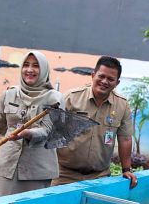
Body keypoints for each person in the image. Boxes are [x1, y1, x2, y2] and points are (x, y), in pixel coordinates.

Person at [51, 56, 138, 189]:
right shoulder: (71, 98)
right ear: (93, 75)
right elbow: (51, 132)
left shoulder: (122, 106)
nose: (104, 81)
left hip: (99, 177)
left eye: (110, 79)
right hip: (63, 175)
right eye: (101, 76)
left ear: (117, 82)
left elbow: (125, 138)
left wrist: (126, 169)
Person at [0, 50, 65, 197]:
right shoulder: (9, 94)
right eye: (26, 65)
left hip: (37, 170)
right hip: (7, 166)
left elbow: (47, 131)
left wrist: (28, 133)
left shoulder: (55, 99)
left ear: (43, 70)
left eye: (36, 66)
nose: (30, 70)